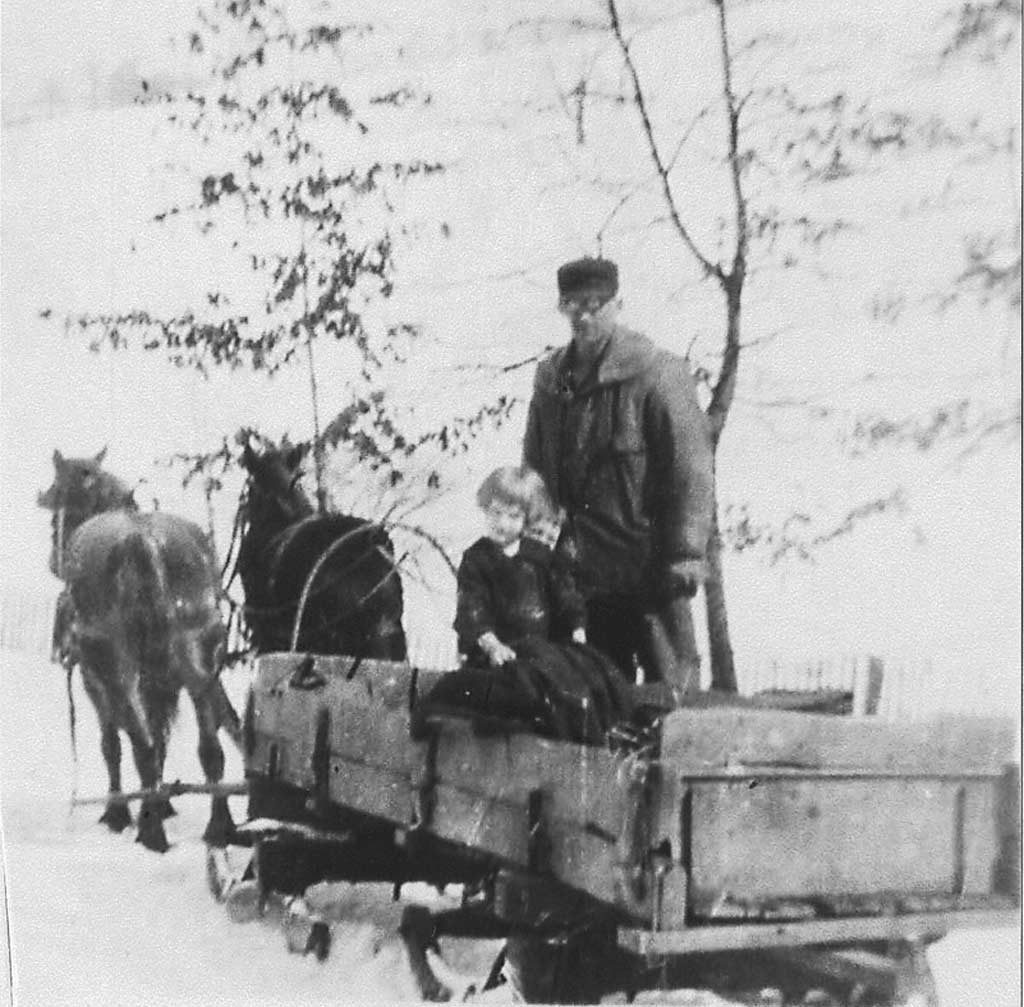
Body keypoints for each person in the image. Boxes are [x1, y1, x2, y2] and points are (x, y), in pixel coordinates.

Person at [523, 256, 715, 695]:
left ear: (618, 304)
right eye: (572, 305)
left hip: (649, 568)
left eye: (595, 303)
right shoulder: (552, 382)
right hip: (580, 571)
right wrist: (537, 548)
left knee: (672, 694)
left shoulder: (658, 373)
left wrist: (686, 553)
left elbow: (691, 469)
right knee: (591, 693)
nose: (583, 315)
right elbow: (534, 468)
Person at [454, 465, 586, 667]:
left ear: (526, 519)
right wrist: (492, 645)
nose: (502, 523)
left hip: (539, 651)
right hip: (493, 655)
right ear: (485, 510)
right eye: (496, 513)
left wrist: (577, 629)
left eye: (513, 516)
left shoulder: (541, 557)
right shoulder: (477, 559)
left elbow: (565, 597)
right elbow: (473, 610)